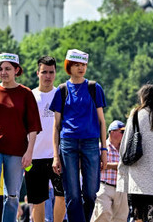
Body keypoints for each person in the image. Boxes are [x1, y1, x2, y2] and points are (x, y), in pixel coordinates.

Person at [0, 53, 41, 222]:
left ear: (16, 70)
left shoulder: (26, 94)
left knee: (12, 195)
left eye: (7, 68)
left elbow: (33, 128)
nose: (3, 72)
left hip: (16, 151)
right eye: (0, 69)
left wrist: (29, 153)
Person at [50, 49, 107, 222]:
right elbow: (56, 126)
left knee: (91, 193)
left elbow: (102, 122)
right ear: (69, 66)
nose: (81, 68)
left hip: (91, 142)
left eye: (83, 65)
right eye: (76, 65)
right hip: (68, 143)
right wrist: (55, 156)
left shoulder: (94, 88)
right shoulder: (61, 90)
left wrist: (104, 149)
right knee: (72, 195)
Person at [117, 84, 153, 222]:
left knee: (138, 214)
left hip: (138, 171)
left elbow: (126, 142)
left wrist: (122, 167)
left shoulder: (136, 114)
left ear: (143, 97)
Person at [25, 56, 66, 222]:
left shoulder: (61, 95)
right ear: (37, 73)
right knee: (38, 201)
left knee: (61, 195)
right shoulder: (30, 96)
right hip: (34, 157)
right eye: (44, 72)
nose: (47, 76)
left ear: (55, 73)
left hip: (58, 156)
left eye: (51, 72)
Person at [92, 120, 129, 222]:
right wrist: (118, 166)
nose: (124, 134)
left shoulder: (125, 150)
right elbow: (95, 166)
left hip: (122, 188)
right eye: (122, 132)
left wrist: (108, 165)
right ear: (112, 132)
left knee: (120, 219)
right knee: (103, 214)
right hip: (104, 186)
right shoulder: (101, 147)